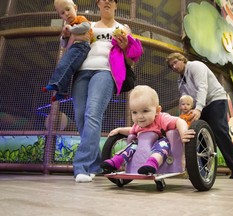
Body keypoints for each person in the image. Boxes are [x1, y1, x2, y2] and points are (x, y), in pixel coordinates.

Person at [69, 0, 143, 182]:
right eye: (103, 0)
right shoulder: (90, 25)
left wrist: (125, 46)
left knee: (93, 113)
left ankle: (82, 167)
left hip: (106, 72)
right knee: (80, 117)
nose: (107, 1)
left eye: (112, 0)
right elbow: (71, 47)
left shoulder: (123, 28)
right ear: (99, 5)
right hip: (81, 72)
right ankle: (94, 164)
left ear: (116, 6)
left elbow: (131, 61)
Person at [166, 52, 233, 179]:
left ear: (182, 60)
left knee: (219, 130)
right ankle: (203, 170)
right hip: (199, 106)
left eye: (175, 62)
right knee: (199, 134)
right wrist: (187, 111)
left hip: (215, 99)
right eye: (171, 65)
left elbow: (202, 87)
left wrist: (199, 109)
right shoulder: (180, 80)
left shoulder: (196, 66)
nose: (174, 67)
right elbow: (187, 98)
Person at [100, 85, 189, 175]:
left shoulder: (161, 118)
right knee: (131, 147)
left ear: (157, 110)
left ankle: (152, 163)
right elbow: (131, 130)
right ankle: (116, 161)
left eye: (145, 111)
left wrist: (184, 133)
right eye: (135, 112)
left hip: (159, 143)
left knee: (161, 148)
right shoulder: (138, 125)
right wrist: (119, 130)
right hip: (140, 146)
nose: (140, 116)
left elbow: (179, 121)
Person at [42, 0, 95, 101]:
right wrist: (65, 36)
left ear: (75, 8)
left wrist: (71, 29)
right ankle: (62, 92)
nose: (66, 14)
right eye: (62, 13)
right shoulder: (66, 26)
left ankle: (55, 84)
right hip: (74, 48)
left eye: (68, 9)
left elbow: (86, 27)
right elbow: (64, 44)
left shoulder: (80, 19)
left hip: (82, 47)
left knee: (65, 66)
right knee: (65, 67)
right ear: (60, 16)